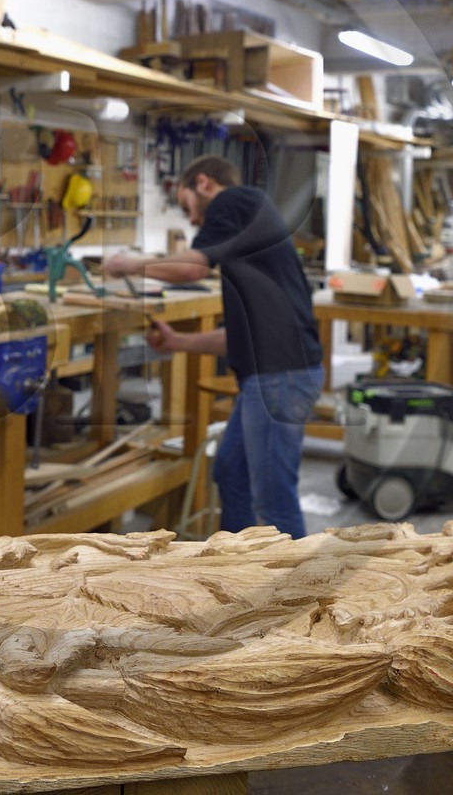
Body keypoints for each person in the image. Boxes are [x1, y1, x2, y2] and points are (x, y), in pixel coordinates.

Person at [103, 156, 323, 538]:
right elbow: (238, 336)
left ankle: (302, 579)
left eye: (186, 204)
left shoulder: (233, 200)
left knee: (273, 501)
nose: (192, 219)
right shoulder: (246, 241)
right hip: (274, 375)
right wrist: (178, 342)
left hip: (279, 377)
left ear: (203, 183)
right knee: (231, 471)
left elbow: (192, 268)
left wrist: (129, 263)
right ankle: (232, 561)